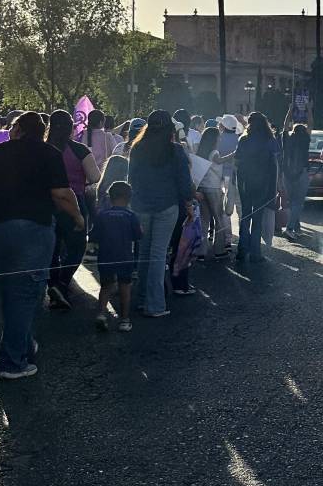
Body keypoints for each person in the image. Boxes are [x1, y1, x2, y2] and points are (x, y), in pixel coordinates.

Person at [0, 111, 83, 379]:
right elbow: (61, 194)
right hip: (33, 229)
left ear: (17, 128)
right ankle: (12, 361)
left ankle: (23, 344)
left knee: (14, 292)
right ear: (40, 130)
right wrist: (78, 217)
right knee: (24, 294)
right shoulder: (50, 153)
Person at [127, 111, 196, 318]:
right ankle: (155, 304)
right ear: (169, 130)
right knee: (158, 255)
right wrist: (189, 205)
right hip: (167, 205)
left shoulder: (137, 148)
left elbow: (132, 178)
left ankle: (141, 300)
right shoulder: (175, 151)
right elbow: (184, 183)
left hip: (141, 205)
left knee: (145, 254)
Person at [44, 111, 98, 309]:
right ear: (71, 127)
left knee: (52, 248)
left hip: (46, 204)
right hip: (73, 202)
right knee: (76, 247)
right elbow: (94, 177)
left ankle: (53, 284)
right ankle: (63, 282)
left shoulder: (43, 149)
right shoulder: (79, 150)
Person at [93, 180, 141, 332]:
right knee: (125, 288)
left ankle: (101, 313)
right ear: (129, 198)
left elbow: (94, 236)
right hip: (125, 257)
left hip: (105, 256)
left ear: (110, 197)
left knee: (106, 286)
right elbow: (138, 235)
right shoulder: (130, 216)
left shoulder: (102, 215)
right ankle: (124, 320)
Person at [234, 112, 281, 264]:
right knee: (257, 218)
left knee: (245, 216)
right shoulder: (270, 139)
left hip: (245, 182)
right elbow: (275, 163)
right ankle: (255, 252)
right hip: (263, 182)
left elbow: (237, 161)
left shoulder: (244, 139)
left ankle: (242, 250)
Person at [193, 126, 230, 258]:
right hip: (213, 188)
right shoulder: (215, 152)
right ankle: (219, 250)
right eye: (218, 136)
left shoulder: (201, 151)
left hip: (202, 187)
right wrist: (234, 154)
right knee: (218, 218)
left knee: (204, 220)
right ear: (214, 139)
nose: (220, 139)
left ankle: (200, 251)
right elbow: (218, 160)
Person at [281, 121, 311, 240]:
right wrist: (309, 108)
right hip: (301, 173)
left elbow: (284, 127)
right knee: (298, 202)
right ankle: (289, 228)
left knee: (293, 201)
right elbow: (311, 123)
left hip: (287, 174)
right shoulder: (305, 141)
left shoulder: (287, 140)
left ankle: (297, 228)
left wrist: (290, 110)